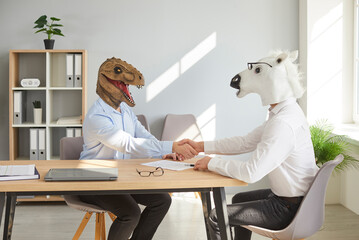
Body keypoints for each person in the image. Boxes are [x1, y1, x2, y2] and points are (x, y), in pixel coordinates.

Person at [180, 50, 319, 240]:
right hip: (291, 200)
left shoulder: (283, 124)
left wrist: (211, 163)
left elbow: (251, 173)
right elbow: (245, 142)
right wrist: (200, 146)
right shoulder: (286, 113)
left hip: (288, 208)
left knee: (215, 216)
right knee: (238, 199)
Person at [79, 57, 197, 240]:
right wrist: (171, 145)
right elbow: (128, 144)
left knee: (162, 200)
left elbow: (143, 136)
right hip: (95, 179)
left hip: (123, 177)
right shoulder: (97, 116)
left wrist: (165, 151)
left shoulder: (124, 110)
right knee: (131, 214)